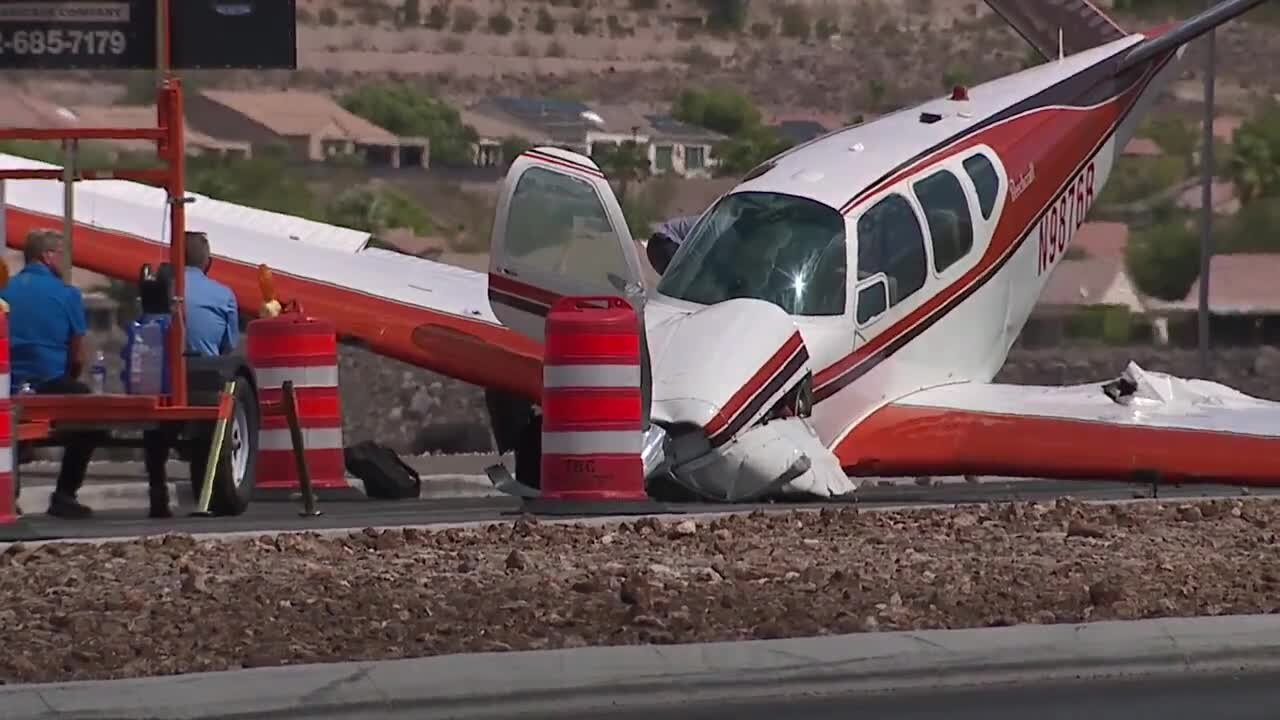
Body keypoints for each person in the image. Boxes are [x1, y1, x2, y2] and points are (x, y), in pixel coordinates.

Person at [142, 231, 240, 518]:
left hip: (163, 377)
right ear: (208, 262)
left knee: (156, 430)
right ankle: (203, 492)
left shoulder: (160, 291)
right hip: (203, 378)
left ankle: (157, 490)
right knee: (205, 434)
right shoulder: (223, 294)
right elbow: (228, 345)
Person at [2, 229, 99, 518]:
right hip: (49, 382)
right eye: (61, 254)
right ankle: (65, 494)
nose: (65, 261)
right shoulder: (67, 294)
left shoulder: (5, 290)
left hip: (7, 383)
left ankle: (9, 494)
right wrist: (72, 375)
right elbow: (78, 352)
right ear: (47, 256)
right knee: (92, 417)